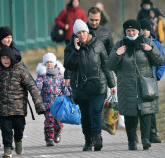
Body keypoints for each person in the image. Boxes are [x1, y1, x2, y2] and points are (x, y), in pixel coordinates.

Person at [106, 19, 165, 150]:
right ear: (125, 32)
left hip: (145, 86)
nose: (131, 33)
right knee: (130, 115)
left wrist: (150, 50)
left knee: (146, 113)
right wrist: (117, 54)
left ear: (139, 31)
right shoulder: (119, 45)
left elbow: (160, 61)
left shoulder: (148, 43)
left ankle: (145, 139)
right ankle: (132, 141)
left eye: (134, 30)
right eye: (128, 31)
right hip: (127, 86)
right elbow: (109, 65)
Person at [64, 19, 116, 151]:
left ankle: (97, 138)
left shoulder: (98, 44)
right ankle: (88, 140)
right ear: (75, 35)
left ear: (87, 31)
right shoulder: (70, 47)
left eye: (83, 32)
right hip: (80, 87)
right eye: (78, 33)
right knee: (85, 115)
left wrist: (112, 84)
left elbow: (106, 65)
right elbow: (68, 66)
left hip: (98, 85)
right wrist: (76, 51)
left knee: (95, 112)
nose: (81, 35)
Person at [0, 46, 46, 157]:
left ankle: (18, 140)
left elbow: (32, 87)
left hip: (18, 108)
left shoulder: (21, 70)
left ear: (12, 58)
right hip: (3, 108)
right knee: (6, 129)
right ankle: (7, 148)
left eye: (7, 58)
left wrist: (39, 104)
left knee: (19, 127)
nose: (5, 60)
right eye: (3, 58)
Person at [64, 6, 114, 86]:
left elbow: (111, 53)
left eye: (96, 20)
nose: (94, 23)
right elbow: (71, 54)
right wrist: (67, 76)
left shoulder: (106, 33)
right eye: (91, 20)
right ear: (87, 17)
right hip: (83, 75)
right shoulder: (79, 31)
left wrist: (111, 79)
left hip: (101, 76)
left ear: (101, 18)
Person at [140, 19, 165, 143]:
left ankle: (153, 132)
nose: (145, 32)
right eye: (143, 29)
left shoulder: (156, 43)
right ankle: (144, 132)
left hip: (151, 79)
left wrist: (158, 75)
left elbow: (162, 60)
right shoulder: (137, 43)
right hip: (140, 79)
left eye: (147, 29)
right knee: (142, 107)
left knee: (152, 106)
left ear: (150, 30)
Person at [36, 53, 69, 147]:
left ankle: (57, 133)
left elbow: (64, 88)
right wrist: (37, 92)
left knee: (58, 122)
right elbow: (38, 87)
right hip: (47, 104)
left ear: (54, 63)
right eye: (47, 62)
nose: (49, 64)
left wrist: (68, 96)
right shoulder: (42, 76)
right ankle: (49, 138)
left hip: (59, 103)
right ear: (44, 64)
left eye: (51, 62)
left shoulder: (60, 76)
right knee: (49, 121)